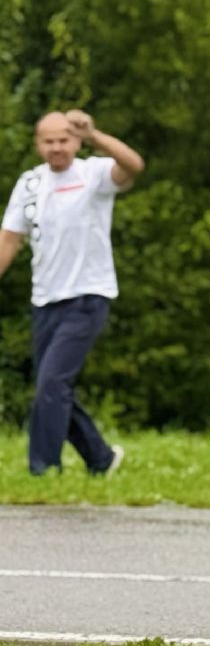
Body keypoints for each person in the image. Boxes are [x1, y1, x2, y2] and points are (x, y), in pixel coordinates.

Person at [0, 109, 144, 476]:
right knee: (53, 385)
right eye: (49, 141)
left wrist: (96, 135)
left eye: (63, 140)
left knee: (52, 382)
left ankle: (43, 468)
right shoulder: (30, 183)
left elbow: (133, 165)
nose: (56, 148)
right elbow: (9, 239)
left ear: (76, 141)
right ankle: (101, 458)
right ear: (38, 144)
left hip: (87, 295)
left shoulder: (93, 173)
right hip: (44, 299)